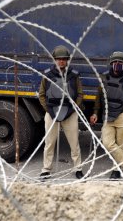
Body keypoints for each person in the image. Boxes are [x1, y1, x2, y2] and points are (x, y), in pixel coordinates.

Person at [90, 51, 123, 179]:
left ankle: (116, 171)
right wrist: (96, 112)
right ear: (111, 63)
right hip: (108, 116)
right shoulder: (104, 77)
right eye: (115, 62)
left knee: (120, 146)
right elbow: (98, 97)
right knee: (108, 144)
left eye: (120, 63)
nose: (117, 64)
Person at [39, 45, 84, 180]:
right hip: (52, 111)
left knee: (74, 143)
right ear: (54, 60)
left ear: (67, 60)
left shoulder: (73, 75)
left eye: (64, 59)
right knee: (49, 142)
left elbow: (80, 94)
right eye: (58, 59)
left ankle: (78, 168)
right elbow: (41, 95)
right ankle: (46, 169)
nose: (61, 62)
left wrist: (74, 108)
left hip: (69, 112)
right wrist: (49, 111)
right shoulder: (47, 75)